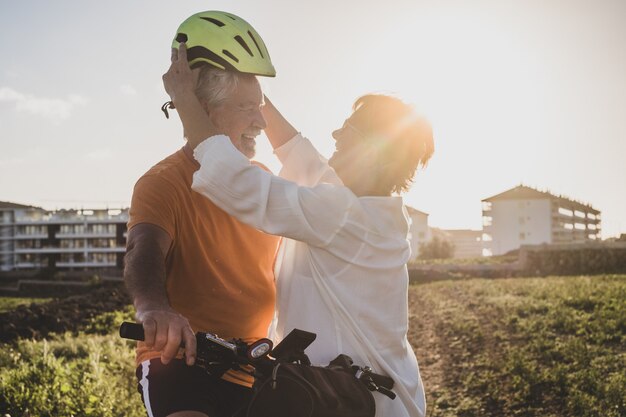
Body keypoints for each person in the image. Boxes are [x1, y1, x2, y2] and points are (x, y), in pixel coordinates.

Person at [163, 43, 435, 417]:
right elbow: (298, 152)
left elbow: (236, 180)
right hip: (354, 398)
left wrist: (183, 98)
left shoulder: (343, 215)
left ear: (374, 152)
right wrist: (250, 83)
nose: (336, 134)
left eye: (349, 129)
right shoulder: (368, 210)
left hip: (349, 402)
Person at [124, 11, 280, 417]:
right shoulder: (162, 182)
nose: (261, 122)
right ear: (205, 111)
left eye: (260, 106)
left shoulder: (261, 185)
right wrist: (154, 308)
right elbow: (144, 251)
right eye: (247, 107)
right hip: (182, 360)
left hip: (256, 369)